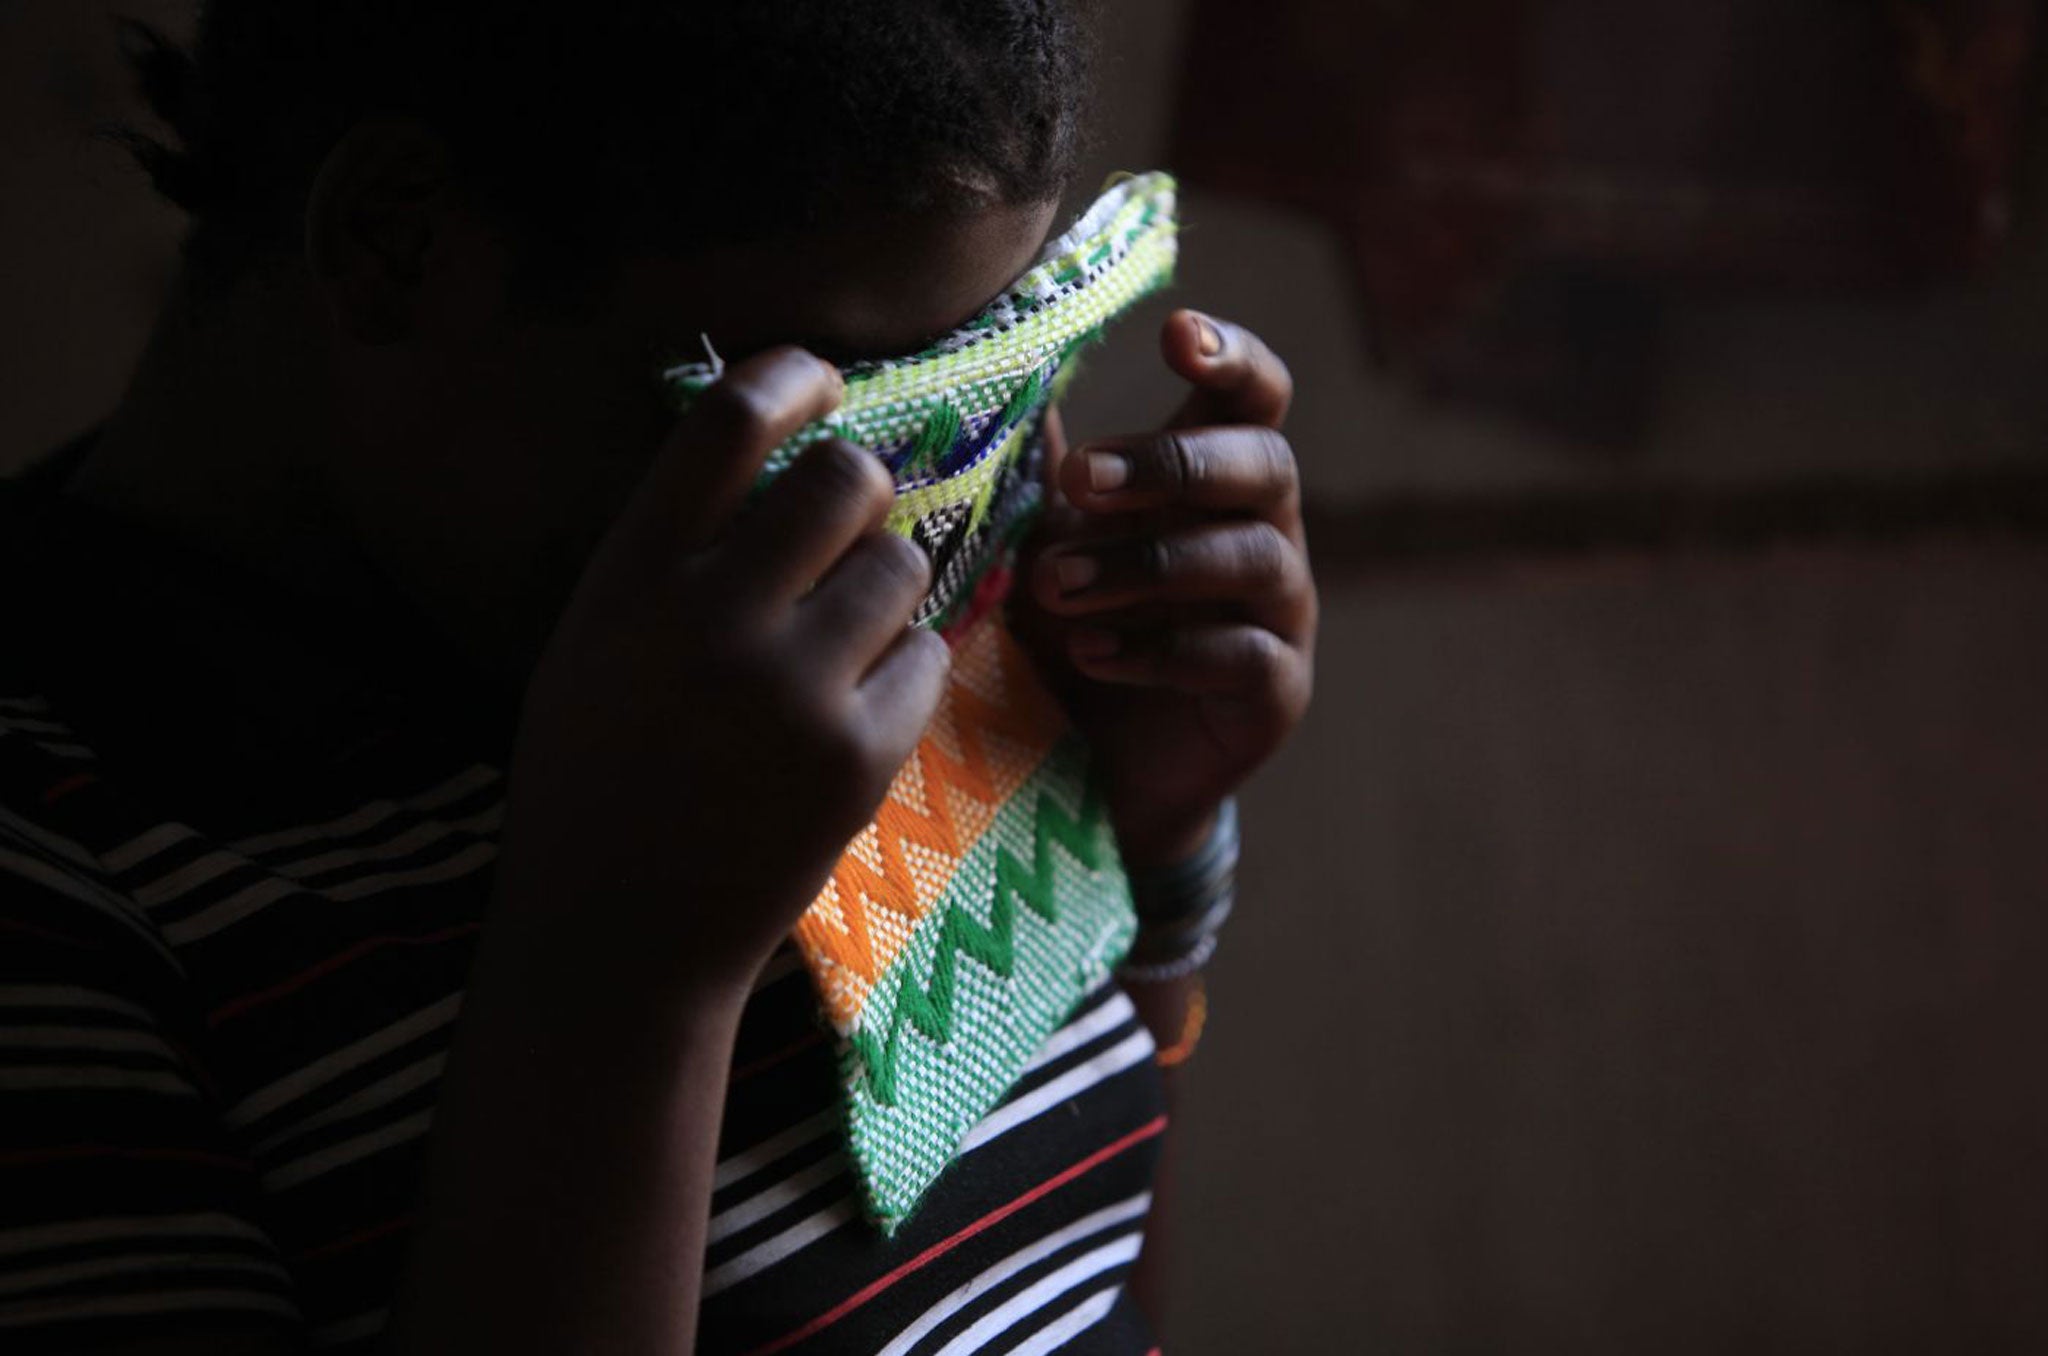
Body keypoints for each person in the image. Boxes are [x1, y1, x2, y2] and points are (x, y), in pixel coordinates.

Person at [0, 3, 1316, 1352]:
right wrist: (626, 985)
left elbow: (1072, 1267)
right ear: (399, 245)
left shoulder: (788, 631)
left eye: (990, 383)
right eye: (857, 419)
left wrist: (1141, 856)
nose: (937, 534)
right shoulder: (62, 880)